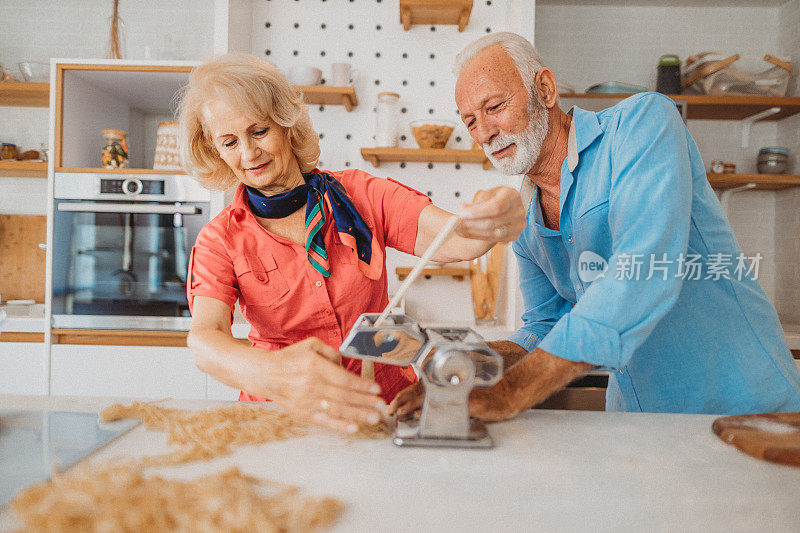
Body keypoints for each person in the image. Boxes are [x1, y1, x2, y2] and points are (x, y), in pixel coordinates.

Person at [391, 33, 800, 418]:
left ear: (545, 90)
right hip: (640, 427)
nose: (485, 132)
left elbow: (641, 274)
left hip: (746, 409)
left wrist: (511, 392)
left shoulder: (642, 125)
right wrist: (474, 364)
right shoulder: (527, 223)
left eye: (495, 107)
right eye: (470, 121)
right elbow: (545, 327)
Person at [179, 53, 526, 433]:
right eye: (229, 142)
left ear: (285, 125)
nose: (248, 154)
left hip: (384, 410)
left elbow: (454, 239)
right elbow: (205, 340)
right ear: (215, 150)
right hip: (279, 418)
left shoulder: (361, 194)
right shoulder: (220, 239)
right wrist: (273, 374)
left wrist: (498, 214)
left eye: (259, 131)